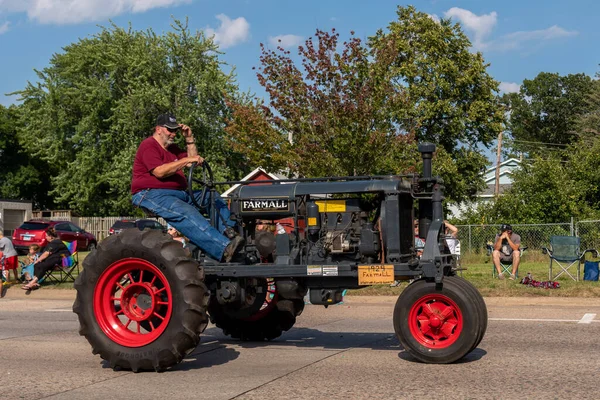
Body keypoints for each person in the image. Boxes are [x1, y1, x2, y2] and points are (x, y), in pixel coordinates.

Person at [131, 113, 244, 262]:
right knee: (186, 212)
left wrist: (189, 139)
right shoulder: (148, 145)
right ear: (158, 129)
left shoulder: (173, 149)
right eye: (169, 130)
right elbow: (159, 171)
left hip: (179, 193)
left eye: (175, 131)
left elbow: (192, 162)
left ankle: (229, 233)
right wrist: (186, 160)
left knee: (210, 196)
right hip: (150, 194)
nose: (173, 134)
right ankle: (224, 249)